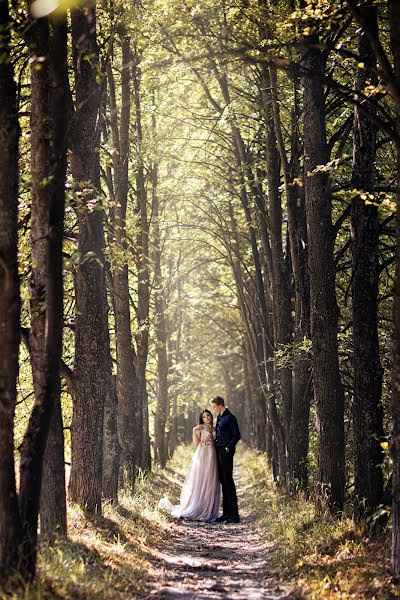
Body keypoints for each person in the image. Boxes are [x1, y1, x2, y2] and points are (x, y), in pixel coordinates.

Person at [158, 409, 221, 521]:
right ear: (202, 419)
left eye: (208, 415)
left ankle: (209, 508)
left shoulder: (214, 428)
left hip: (213, 455)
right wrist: (194, 430)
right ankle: (198, 507)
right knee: (201, 479)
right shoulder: (200, 428)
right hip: (203, 455)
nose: (207, 418)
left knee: (211, 480)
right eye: (204, 417)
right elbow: (196, 443)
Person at [211, 395, 241, 523]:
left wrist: (228, 448)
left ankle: (234, 515)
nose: (213, 409)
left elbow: (237, 435)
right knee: (223, 480)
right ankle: (226, 513)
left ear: (219, 405)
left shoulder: (230, 417)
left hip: (226, 451)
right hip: (218, 451)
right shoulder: (220, 417)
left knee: (228, 480)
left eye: (213, 406)